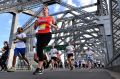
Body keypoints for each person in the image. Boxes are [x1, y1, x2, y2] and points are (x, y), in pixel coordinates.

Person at [33, 5, 58, 75]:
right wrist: (35, 24)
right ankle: (41, 66)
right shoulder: (39, 18)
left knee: (40, 47)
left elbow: (57, 27)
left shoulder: (51, 18)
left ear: (48, 10)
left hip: (47, 34)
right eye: (43, 9)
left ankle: (39, 68)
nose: (44, 10)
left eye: (45, 9)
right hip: (39, 35)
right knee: (38, 51)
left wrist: (51, 24)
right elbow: (35, 28)